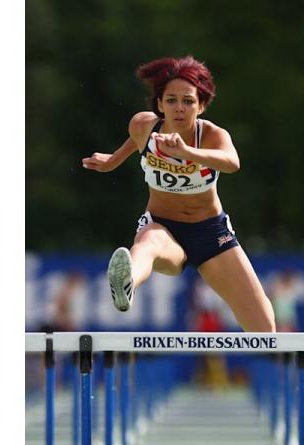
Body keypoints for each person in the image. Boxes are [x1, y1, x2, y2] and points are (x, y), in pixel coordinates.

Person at [82, 56, 275, 332]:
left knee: (264, 330)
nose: (179, 108)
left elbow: (232, 163)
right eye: (171, 101)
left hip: (212, 235)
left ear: (202, 105)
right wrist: (113, 160)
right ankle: (126, 283)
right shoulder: (143, 127)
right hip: (164, 227)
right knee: (147, 243)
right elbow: (135, 143)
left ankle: (283, 367)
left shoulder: (211, 135)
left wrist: (187, 153)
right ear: (159, 104)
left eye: (188, 101)